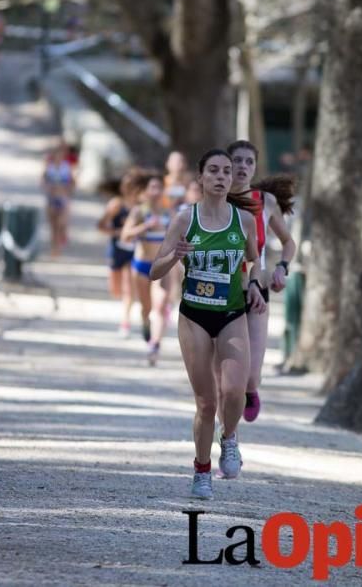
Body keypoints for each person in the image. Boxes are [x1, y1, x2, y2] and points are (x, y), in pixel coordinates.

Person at [149, 149, 266, 500]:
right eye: (213, 170)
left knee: (234, 390)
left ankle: (229, 438)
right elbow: (155, 271)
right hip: (195, 314)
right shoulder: (186, 219)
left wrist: (256, 285)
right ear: (200, 177)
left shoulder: (243, 220)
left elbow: (254, 261)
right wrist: (175, 255)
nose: (221, 176)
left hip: (231, 313)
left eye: (226, 171)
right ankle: (201, 470)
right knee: (205, 403)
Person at [226, 140, 297, 423]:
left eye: (249, 162)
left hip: (258, 292)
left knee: (251, 377)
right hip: (222, 293)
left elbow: (288, 242)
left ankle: (251, 390)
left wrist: (281, 267)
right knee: (227, 378)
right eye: (237, 160)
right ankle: (228, 438)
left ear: (254, 168)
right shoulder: (214, 199)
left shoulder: (265, 201)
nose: (242, 166)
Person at [120, 172, 175, 364]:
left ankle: (155, 345)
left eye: (159, 187)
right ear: (146, 191)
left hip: (162, 266)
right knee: (147, 308)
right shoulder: (139, 212)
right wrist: (144, 227)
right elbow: (125, 236)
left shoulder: (169, 213)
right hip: (141, 265)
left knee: (160, 307)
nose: (156, 191)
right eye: (152, 187)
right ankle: (145, 323)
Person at [97, 169, 141, 337]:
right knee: (115, 290)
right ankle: (124, 307)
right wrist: (118, 232)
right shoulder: (116, 204)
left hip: (135, 251)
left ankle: (125, 322)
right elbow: (101, 226)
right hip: (117, 249)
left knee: (129, 288)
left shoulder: (141, 206)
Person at [42, 146, 75, 258]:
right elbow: (43, 181)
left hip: (63, 199)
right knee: (53, 226)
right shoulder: (49, 167)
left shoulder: (66, 167)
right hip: (51, 198)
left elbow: (72, 183)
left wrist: (65, 191)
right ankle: (54, 249)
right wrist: (49, 188)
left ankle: (61, 239)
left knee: (61, 224)